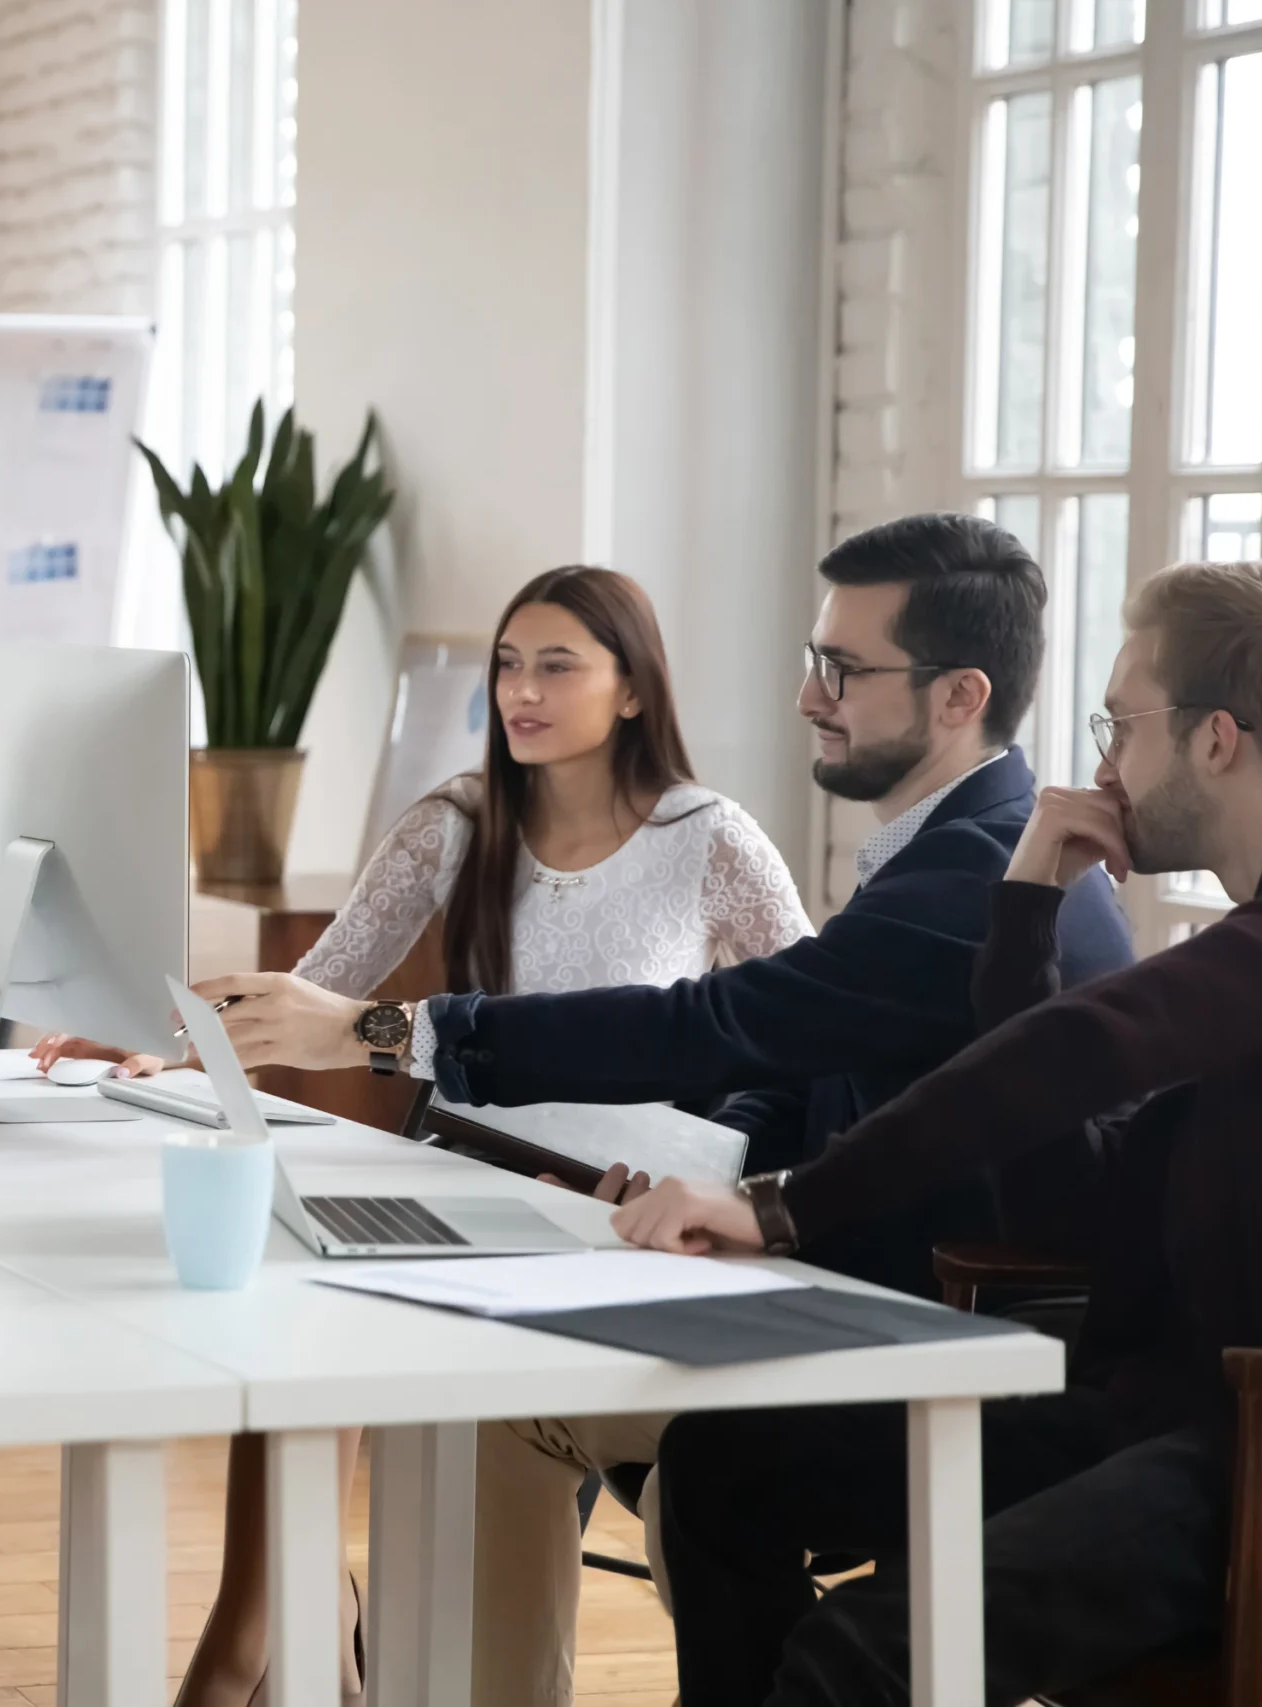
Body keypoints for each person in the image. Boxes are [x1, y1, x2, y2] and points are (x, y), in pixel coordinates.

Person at [185, 515, 1137, 1706]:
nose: (804, 694)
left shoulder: (977, 875)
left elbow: (713, 1020)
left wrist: (395, 1029)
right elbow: (799, 1079)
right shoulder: (957, 849)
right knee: (489, 1386)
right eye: (812, 656)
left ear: (959, 697)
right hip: (842, 1291)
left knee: (502, 1401)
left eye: (841, 670)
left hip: (929, 1336)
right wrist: (692, 1173)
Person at [43, 566, 812, 1707]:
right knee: (306, 1303)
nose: (521, 690)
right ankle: (289, 1622)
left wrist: (733, 1161)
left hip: (621, 1218)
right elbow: (317, 994)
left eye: (557, 664)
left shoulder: (713, 841)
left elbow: (804, 1035)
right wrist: (175, 1047)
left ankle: (293, 1631)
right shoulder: (457, 819)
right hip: (471, 1192)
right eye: (509, 663)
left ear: (635, 690)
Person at [618, 558, 1262, 1707]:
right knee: (727, 1466)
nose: (1102, 761)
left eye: (1120, 723)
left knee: (868, 1652)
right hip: (1161, 1413)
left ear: (1219, 737)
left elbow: (1090, 1047)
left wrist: (781, 1205)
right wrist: (1022, 909)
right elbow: (1073, 1193)